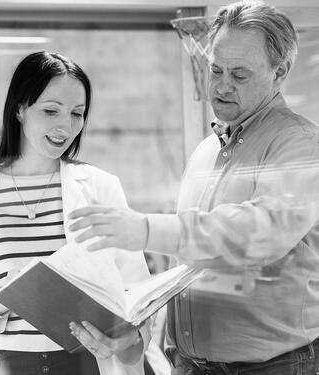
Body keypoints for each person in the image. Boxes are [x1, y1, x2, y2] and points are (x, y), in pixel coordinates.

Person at [68, 1, 319, 374]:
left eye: (239, 74)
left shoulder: (299, 144)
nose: (220, 85)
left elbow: (259, 231)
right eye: (215, 69)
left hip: (271, 367)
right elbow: (189, 264)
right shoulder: (206, 149)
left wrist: (145, 229)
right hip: (188, 365)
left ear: (279, 72)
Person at [0, 51, 151, 375]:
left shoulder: (101, 188)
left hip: (84, 363)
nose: (66, 126)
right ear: (20, 109)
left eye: (77, 113)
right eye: (50, 111)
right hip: (7, 364)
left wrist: (128, 333)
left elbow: (135, 293)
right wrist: (5, 297)